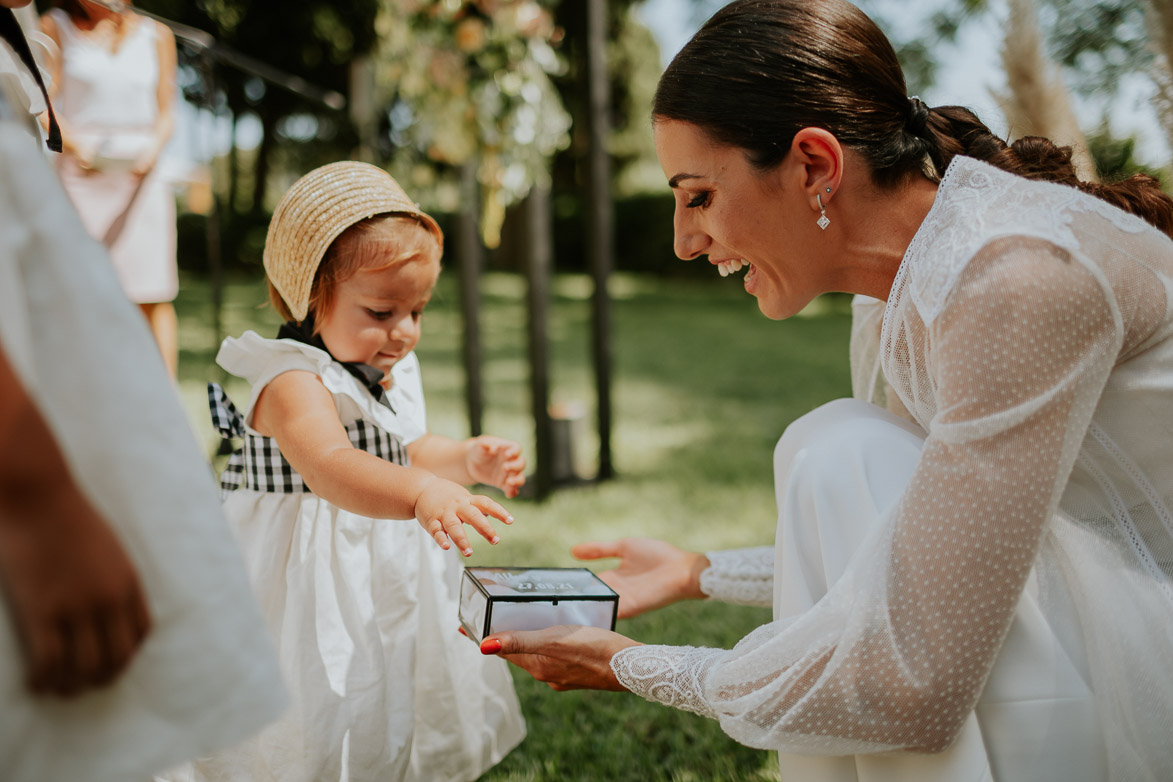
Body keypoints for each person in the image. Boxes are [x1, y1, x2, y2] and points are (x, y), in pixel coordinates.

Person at [479, 1, 1173, 780]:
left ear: (813, 165)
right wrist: (698, 571)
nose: (682, 240)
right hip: (1062, 628)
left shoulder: (1011, 276)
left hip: (1147, 655)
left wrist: (638, 666)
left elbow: (916, 671)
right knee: (834, 444)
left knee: (840, 447)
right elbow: (926, 542)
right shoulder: (895, 296)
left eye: (698, 195)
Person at [160, 161, 527, 782]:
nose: (404, 333)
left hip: (376, 562)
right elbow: (332, 465)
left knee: (388, 673)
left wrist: (463, 460)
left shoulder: (386, 364)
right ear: (308, 297)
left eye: (417, 311)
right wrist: (419, 493)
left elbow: (404, 447)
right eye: (382, 312)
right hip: (299, 572)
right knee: (313, 688)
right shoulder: (290, 379)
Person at [0, 3, 286, 781]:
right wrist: (39, 500)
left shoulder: (140, 35)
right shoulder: (53, 28)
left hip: (131, 187)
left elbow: (161, 117)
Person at [40, 0, 180, 378]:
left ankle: (165, 402)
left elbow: (167, 110)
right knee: (81, 294)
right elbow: (42, 101)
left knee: (152, 292)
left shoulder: (157, 34)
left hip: (140, 176)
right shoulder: (55, 26)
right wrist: (75, 145)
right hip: (80, 175)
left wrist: (152, 153)